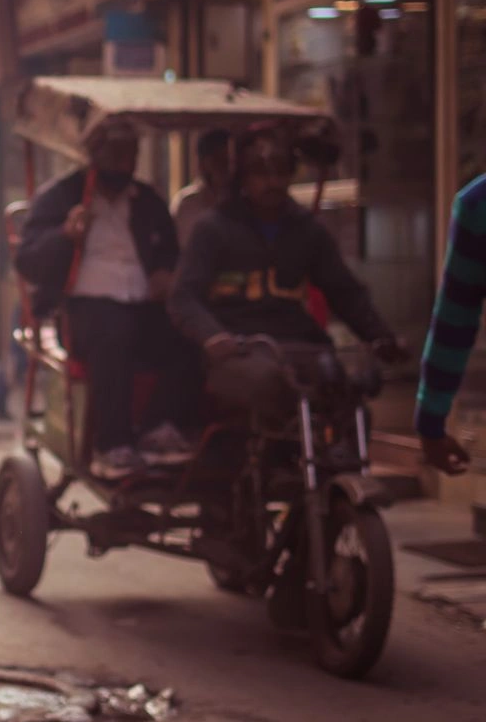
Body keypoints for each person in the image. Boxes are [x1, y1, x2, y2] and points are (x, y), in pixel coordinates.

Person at [169, 126, 403, 428]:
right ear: (242, 177)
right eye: (260, 173)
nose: (272, 182)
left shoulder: (308, 230)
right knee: (269, 384)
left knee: (349, 400)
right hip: (239, 350)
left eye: (280, 172)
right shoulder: (212, 229)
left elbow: (346, 292)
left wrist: (380, 336)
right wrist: (213, 336)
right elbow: (183, 297)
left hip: (300, 345)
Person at [14, 121, 198, 480]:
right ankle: (112, 444)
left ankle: (159, 428)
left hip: (143, 305)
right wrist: (65, 235)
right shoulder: (60, 198)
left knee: (189, 333)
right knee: (113, 333)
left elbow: (170, 257)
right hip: (83, 310)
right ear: (94, 156)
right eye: (114, 154)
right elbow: (28, 261)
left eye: (129, 154)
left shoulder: (147, 202)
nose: (122, 162)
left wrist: (165, 274)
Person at [416, 173, 486, 474]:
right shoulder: (477, 205)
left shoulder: (477, 203)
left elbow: (453, 323)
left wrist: (430, 422)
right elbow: (453, 323)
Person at [171, 129, 233, 247]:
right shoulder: (187, 204)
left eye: (227, 161)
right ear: (202, 163)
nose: (223, 167)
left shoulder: (241, 199)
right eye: (217, 160)